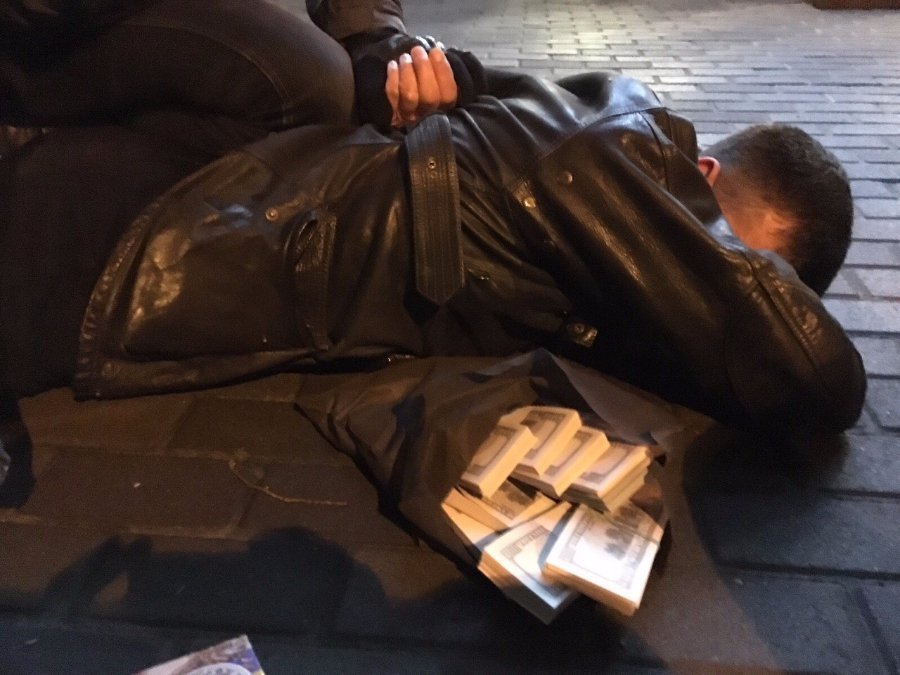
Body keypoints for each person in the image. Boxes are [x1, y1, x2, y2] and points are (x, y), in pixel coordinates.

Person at [0, 0, 866, 502]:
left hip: (206, 203)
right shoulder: (628, 158)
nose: (707, 267)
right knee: (304, 71)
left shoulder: (592, 151)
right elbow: (816, 373)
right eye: (725, 241)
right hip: (166, 241)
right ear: (704, 174)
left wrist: (393, 51)